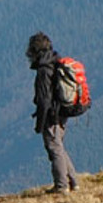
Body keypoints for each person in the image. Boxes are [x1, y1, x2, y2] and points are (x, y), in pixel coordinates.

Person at [26, 32, 79, 193]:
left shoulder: (44, 70)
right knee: (59, 146)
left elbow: (43, 100)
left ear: (35, 51)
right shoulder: (55, 61)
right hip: (62, 112)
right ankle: (73, 182)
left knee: (54, 148)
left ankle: (61, 186)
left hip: (52, 114)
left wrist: (40, 124)